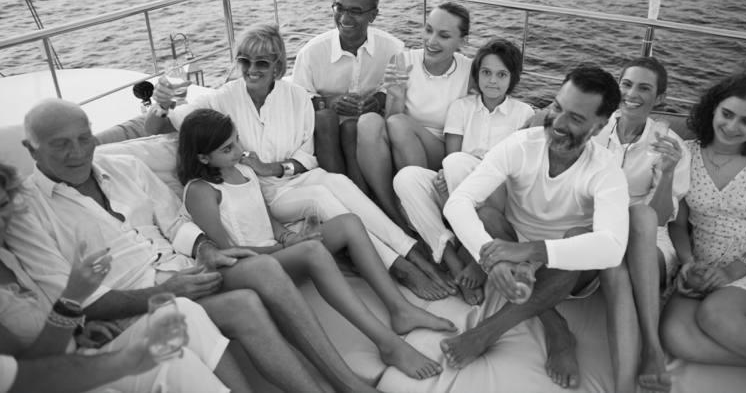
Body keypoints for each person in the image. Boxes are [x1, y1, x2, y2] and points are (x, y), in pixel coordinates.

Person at [7, 98, 382, 393]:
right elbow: (71, 298)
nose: (77, 152)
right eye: (61, 145)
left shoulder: (124, 167)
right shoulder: (23, 210)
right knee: (244, 303)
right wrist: (167, 290)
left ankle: (345, 381)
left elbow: (175, 221)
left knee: (264, 267)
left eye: (84, 138)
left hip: (188, 273)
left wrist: (206, 250)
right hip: (133, 307)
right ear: (32, 148)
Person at [144, 23, 455, 301]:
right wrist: (161, 105)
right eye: (244, 60)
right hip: (262, 192)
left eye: (262, 62)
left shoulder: (295, 96)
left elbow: (307, 156)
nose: (252, 69)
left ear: (278, 66)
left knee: (339, 183)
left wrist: (277, 167)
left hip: (295, 177)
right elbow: (160, 127)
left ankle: (415, 252)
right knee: (322, 196)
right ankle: (401, 266)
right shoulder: (220, 98)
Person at [177, 108, 456, 379]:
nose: (239, 150)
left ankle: (400, 309)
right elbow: (226, 252)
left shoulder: (244, 171)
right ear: (202, 157)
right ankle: (388, 344)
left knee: (349, 222)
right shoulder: (201, 191)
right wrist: (286, 247)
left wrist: (288, 237)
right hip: (248, 267)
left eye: (236, 139)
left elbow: (268, 219)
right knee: (312, 249)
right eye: (228, 149)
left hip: (279, 254)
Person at [439, 65, 639, 392]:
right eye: (557, 107)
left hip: (567, 267)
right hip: (513, 251)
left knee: (579, 238)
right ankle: (556, 325)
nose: (558, 123)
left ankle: (489, 331)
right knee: (488, 216)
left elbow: (612, 246)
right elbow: (457, 202)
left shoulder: (605, 169)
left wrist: (532, 251)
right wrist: (495, 260)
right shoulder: (521, 144)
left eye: (575, 118)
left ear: (600, 125)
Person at [0, 162, 240, 393]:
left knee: (184, 312)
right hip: (52, 376)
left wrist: (77, 328)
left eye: (1, 206)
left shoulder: (9, 253)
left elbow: (45, 310)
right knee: (172, 351)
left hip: (76, 346)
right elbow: (26, 375)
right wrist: (71, 301)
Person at [659, 73, 746, 383]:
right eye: (727, 114)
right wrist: (687, 263)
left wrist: (733, 271)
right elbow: (678, 225)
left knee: (716, 314)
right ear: (714, 109)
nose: (733, 127)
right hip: (704, 264)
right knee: (675, 336)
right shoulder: (687, 154)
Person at [393, 39, 536, 306]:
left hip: (497, 194)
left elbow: (518, 170)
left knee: (460, 163)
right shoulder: (462, 107)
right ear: (477, 74)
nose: (492, 81)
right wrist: (444, 177)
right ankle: (452, 260)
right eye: (486, 72)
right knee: (407, 178)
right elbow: (451, 156)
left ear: (513, 78)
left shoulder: (523, 113)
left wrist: (459, 168)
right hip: (458, 185)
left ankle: (476, 259)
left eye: (501, 74)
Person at [590, 56, 690, 392]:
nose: (632, 93)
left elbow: (661, 217)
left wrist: (669, 171)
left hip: (650, 238)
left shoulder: (669, 144)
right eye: (627, 84)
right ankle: (627, 381)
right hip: (601, 228)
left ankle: (650, 348)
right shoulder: (595, 127)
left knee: (642, 216)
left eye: (644, 88)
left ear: (659, 98)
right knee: (614, 268)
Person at [357, 2, 472, 239]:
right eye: (428, 30)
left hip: (442, 153)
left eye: (444, 35)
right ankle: (394, 212)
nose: (431, 41)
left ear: (462, 41)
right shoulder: (403, 60)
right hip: (402, 143)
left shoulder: (470, 70)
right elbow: (389, 122)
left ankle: (420, 211)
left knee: (399, 124)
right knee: (369, 121)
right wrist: (396, 95)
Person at [292, 0, 403, 194]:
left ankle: (359, 199)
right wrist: (327, 102)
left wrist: (379, 100)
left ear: (373, 15)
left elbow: (394, 88)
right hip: (324, 131)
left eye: (355, 11)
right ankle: (346, 196)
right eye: (339, 8)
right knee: (325, 118)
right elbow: (297, 98)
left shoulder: (393, 48)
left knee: (354, 127)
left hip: (367, 128)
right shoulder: (311, 52)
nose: (344, 17)